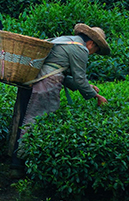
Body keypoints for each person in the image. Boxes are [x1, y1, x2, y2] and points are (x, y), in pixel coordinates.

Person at [7, 23, 111, 163]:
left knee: (23, 118)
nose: (92, 53)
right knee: (36, 122)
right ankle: (23, 163)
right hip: (44, 86)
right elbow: (79, 79)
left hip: (29, 80)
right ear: (91, 43)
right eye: (95, 50)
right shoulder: (81, 49)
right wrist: (95, 96)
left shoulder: (63, 40)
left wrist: (88, 87)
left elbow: (60, 73)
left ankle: (14, 162)